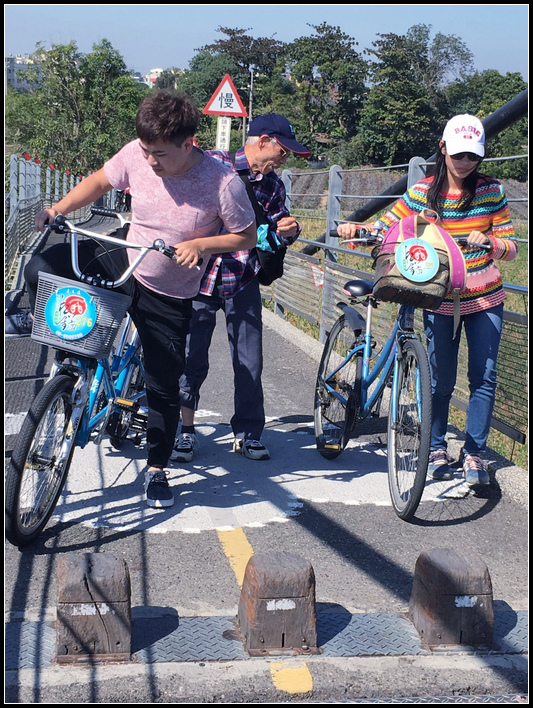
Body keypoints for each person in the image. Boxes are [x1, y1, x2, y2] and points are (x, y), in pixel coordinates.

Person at [5, 91, 257, 508]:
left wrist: (203, 243)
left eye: (158, 153)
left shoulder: (222, 183)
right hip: (124, 257)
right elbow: (101, 180)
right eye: (144, 150)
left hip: (169, 289)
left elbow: (245, 235)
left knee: (162, 383)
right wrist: (58, 207)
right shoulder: (136, 155)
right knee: (41, 266)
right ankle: (47, 332)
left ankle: (157, 468)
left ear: (187, 143)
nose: (150, 160)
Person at [338, 114, 517, 487]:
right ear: (443, 148)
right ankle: (435, 447)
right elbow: (388, 224)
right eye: (459, 154)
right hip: (438, 296)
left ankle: (475, 454)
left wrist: (492, 243)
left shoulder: (492, 191)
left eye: (474, 156)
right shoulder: (422, 191)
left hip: (485, 296)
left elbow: (511, 246)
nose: (466, 163)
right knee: (439, 380)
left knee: (484, 378)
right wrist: (359, 230)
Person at [171, 113, 311, 463]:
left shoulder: (273, 185)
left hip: (242, 276)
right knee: (191, 358)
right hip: (197, 275)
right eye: (282, 150)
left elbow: (276, 226)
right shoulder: (214, 164)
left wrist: (287, 231)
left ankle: (248, 434)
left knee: (249, 361)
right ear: (262, 140)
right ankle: (184, 431)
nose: (284, 158)